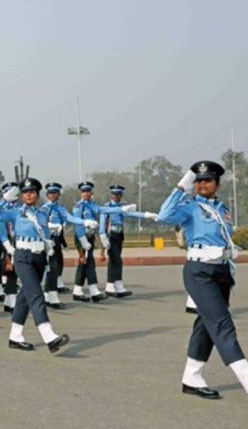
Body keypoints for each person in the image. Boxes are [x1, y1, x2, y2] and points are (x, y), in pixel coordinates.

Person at [157, 161, 248, 399]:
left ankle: (192, 377)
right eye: (198, 180)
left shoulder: (221, 209)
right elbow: (163, 216)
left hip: (221, 271)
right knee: (222, 324)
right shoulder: (190, 207)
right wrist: (181, 186)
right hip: (200, 271)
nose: (202, 184)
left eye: (207, 180)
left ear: (217, 183)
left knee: (206, 324)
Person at [0, 179, 70, 354]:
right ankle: (49, 337)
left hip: (39, 257)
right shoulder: (15, 212)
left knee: (24, 297)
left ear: (38, 194)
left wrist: (82, 224)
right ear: (21, 196)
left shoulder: (42, 212)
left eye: (32, 191)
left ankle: (15, 336)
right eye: (25, 192)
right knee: (36, 294)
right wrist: (4, 200)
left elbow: (55, 224)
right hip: (23, 256)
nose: (29, 194)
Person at [71, 182, 136, 302]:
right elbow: (77, 225)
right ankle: (90, 291)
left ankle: (80, 290)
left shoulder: (93, 205)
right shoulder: (78, 206)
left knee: (86, 264)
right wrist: (82, 242)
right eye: (84, 191)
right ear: (81, 193)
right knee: (86, 263)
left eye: (89, 191)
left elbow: (105, 210)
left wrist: (123, 208)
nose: (86, 193)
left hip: (90, 236)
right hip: (82, 237)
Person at [98, 185, 158, 297]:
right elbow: (102, 222)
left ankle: (116, 285)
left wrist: (146, 215)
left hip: (119, 234)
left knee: (115, 260)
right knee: (116, 260)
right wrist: (103, 236)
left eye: (118, 194)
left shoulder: (122, 207)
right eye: (114, 194)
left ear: (121, 195)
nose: (116, 197)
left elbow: (133, 214)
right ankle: (111, 286)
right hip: (110, 235)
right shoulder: (107, 206)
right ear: (111, 195)